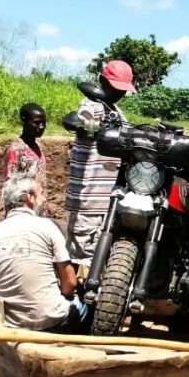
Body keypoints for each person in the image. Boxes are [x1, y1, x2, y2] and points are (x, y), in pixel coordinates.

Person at [0, 171, 87, 332]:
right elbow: (70, 284)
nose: (45, 199)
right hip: (54, 320)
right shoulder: (47, 226)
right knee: (92, 303)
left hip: (13, 324)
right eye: (41, 194)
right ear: (29, 197)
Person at [64, 61, 136, 265]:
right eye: (116, 88)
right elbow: (80, 124)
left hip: (111, 203)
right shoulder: (91, 105)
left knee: (103, 261)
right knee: (82, 261)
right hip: (88, 203)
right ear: (102, 81)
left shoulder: (119, 114)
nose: (119, 93)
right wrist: (85, 126)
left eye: (123, 90)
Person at [5, 103, 47, 182]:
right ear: (24, 121)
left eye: (44, 123)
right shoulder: (16, 150)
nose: (42, 127)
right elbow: (10, 185)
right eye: (37, 123)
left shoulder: (36, 146)